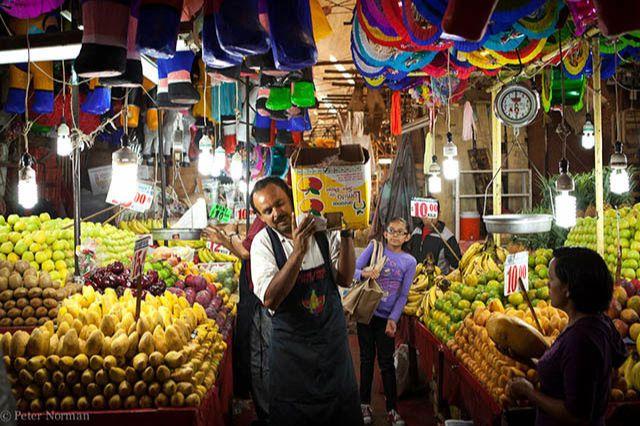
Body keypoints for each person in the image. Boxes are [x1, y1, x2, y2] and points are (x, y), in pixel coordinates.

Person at [249, 176, 363, 426]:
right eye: (267, 211)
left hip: (332, 350)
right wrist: (298, 252)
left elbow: (344, 278)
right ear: (260, 217)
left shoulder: (321, 230)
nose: (276, 213)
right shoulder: (262, 244)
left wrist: (346, 234)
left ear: (291, 197)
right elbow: (271, 298)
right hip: (293, 358)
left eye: (279, 204)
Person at [506, 247, 627, 426]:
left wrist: (529, 392)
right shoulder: (596, 322)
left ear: (568, 288)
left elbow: (576, 415)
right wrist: (526, 359)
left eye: (552, 279)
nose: (547, 284)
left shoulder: (580, 340)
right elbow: (566, 374)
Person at [203, 219, 271, 426]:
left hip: (260, 298)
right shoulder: (262, 219)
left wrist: (228, 236)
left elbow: (244, 252)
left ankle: (269, 414)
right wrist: (225, 239)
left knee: (262, 356)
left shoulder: (264, 220)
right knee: (260, 355)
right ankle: (265, 412)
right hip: (258, 295)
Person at [355, 217, 417, 426]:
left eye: (401, 232)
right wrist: (364, 273)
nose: (396, 235)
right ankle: (364, 405)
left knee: (386, 364)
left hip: (385, 319)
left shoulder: (409, 262)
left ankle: (392, 409)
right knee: (365, 360)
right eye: (392, 231)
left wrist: (393, 319)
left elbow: (403, 295)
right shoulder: (374, 248)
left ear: (407, 236)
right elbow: (351, 271)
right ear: (385, 233)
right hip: (367, 313)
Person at [408, 199, 461, 274]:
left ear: (439, 214)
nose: (430, 218)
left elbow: (457, 263)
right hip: (416, 280)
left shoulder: (447, 237)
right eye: (426, 213)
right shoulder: (415, 232)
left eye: (433, 213)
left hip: (438, 281)